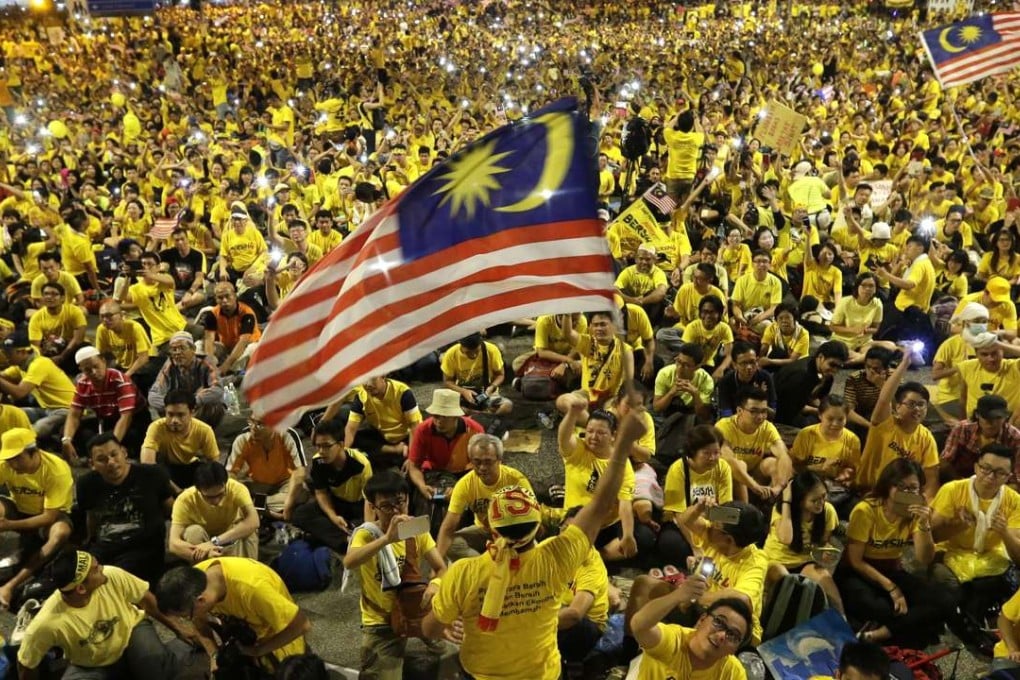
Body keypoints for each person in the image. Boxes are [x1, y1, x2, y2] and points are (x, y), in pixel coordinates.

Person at [421, 409, 647, 680]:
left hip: (481, 673)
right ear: (536, 523)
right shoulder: (556, 558)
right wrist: (621, 451)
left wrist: (439, 593)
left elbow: (430, 629)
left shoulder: (464, 573)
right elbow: (599, 505)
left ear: (492, 526)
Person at [17, 551, 208, 680]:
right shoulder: (46, 623)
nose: (102, 568)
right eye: (95, 570)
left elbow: (146, 600)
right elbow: (26, 663)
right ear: (81, 588)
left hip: (132, 631)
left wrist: (179, 628)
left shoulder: (112, 575)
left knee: (155, 667)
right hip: (91, 662)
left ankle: (174, 653)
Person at [342, 470, 451, 679]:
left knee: (463, 655)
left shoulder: (416, 528)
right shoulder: (366, 534)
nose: (395, 511)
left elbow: (441, 568)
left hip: (418, 609)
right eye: (386, 506)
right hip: (381, 619)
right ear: (373, 508)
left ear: (408, 499)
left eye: (400, 502)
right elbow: (349, 561)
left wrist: (436, 584)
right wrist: (387, 539)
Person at [838, 458, 954, 647]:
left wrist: (925, 524)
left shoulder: (914, 513)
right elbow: (855, 561)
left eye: (912, 488)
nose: (906, 493)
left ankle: (880, 634)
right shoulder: (866, 510)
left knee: (944, 600)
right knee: (885, 609)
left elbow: (924, 558)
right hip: (858, 571)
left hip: (891, 568)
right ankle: (911, 629)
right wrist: (891, 587)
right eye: (900, 486)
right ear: (888, 485)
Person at [155, 556, 310, 669]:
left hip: (276, 630)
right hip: (243, 631)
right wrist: (214, 656)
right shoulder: (194, 583)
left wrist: (258, 650)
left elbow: (302, 625)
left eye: (186, 617)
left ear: (201, 601)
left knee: (287, 673)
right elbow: (200, 626)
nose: (188, 621)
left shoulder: (253, 589)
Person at [77, 433, 174, 585]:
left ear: (124, 452)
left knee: (108, 579)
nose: (111, 462)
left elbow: (172, 511)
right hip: (105, 546)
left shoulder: (152, 475)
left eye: (114, 454)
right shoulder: (86, 484)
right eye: (102, 459)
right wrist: (89, 542)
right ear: (92, 463)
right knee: (75, 573)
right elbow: (92, 517)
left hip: (143, 547)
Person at [930, 443, 1020, 605]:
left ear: (1008, 477)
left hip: (991, 557)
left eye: (1000, 473)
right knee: (948, 583)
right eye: (986, 469)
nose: (991, 477)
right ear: (976, 468)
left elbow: (1018, 556)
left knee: (1009, 582)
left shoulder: (1014, 501)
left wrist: (1004, 532)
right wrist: (959, 525)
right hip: (949, 553)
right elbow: (932, 537)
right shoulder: (952, 490)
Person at [0, 428, 73, 609]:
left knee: (60, 533)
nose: (14, 465)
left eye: (18, 458)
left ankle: (11, 585)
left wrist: (8, 525)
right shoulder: (6, 465)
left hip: (49, 516)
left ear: (34, 452)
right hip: (19, 508)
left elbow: (49, 517)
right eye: (10, 459)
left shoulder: (56, 470)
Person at [559, 397, 637, 561]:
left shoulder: (621, 463)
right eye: (590, 431)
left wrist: (628, 535)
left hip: (606, 525)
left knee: (637, 538)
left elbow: (625, 503)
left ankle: (594, 557)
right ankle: (589, 558)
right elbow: (564, 438)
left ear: (613, 436)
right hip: (577, 521)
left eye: (601, 433)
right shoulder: (578, 450)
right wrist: (572, 413)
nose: (594, 437)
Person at [855, 350, 940, 500]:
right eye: (912, 404)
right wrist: (905, 363)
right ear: (898, 406)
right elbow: (884, 399)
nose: (917, 409)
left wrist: (926, 503)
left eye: (922, 405)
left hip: (903, 498)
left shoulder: (926, 438)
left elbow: (931, 477)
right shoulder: (885, 424)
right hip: (870, 492)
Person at [436, 433, 533, 561]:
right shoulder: (465, 484)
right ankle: (483, 566)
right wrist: (436, 566)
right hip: (483, 530)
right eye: (477, 462)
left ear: (499, 460)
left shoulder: (516, 480)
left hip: (511, 533)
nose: (482, 468)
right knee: (452, 544)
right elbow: (448, 527)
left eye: (488, 462)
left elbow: (532, 520)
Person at [764, 470, 844, 615]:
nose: (821, 503)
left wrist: (825, 551)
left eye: (823, 496)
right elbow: (786, 538)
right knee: (788, 583)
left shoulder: (828, 511)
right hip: (776, 562)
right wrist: (787, 501)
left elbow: (822, 542)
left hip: (805, 562)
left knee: (825, 581)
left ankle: (841, 621)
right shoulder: (781, 510)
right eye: (814, 500)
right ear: (800, 500)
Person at [290, 418, 372, 553]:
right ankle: (345, 541)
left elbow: (369, 501)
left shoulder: (361, 464)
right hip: (336, 502)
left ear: (340, 444)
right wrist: (333, 516)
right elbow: (321, 493)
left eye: (327, 446)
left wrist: (368, 527)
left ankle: (333, 537)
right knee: (300, 514)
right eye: (318, 446)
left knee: (365, 525)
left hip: (359, 505)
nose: (321, 451)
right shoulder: (318, 461)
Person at [658, 425, 733, 569]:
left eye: (716, 452)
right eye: (706, 453)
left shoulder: (723, 468)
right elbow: (679, 515)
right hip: (684, 524)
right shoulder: (678, 469)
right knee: (670, 543)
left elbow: (726, 508)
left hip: (712, 522)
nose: (713, 458)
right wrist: (695, 547)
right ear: (693, 452)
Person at [629, 594, 751, 680]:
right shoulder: (673, 640)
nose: (722, 636)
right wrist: (677, 596)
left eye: (733, 636)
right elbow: (639, 626)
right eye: (719, 622)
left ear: (735, 650)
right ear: (702, 619)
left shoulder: (732, 672)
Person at [62, 346, 149, 462]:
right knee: (66, 431)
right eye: (88, 370)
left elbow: (126, 417)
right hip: (108, 420)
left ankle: (109, 453)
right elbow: (74, 415)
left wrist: (110, 446)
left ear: (103, 361)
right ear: (81, 369)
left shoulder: (120, 381)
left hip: (134, 420)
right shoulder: (83, 383)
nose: (94, 372)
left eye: (96, 366)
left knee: (134, 436)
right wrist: (67, 440)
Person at [323, 374, 423, 470]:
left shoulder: (403, 392)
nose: (368, 384)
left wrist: (411, 458)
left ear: (383, 376)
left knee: (413, 466)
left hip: (406, 436)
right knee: (346, 439)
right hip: (382, 436)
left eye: (373, 379)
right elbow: (350, 429)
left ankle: (395, 455)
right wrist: (343, 453)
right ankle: (395, 450)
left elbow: (415, 427)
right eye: (364, 380)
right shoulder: (362, 395)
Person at [167, 461, 260, 562]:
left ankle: (248, 570)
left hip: (228, 536)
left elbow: (254, 521)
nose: (216, 501)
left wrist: (214, 542)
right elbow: (173, 543)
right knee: (193, 532)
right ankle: (205, 572)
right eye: (209, 497)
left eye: (220, 495)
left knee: (248, 530)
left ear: (225, 484)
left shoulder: (236, 488)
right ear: (198, 490)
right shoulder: (185, 499)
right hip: (201, 542)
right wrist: (205, 554)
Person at [406, 388, 484, 505]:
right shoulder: (423, 430)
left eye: (445, 417)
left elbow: (482, 467)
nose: (439, 421)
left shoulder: (475, 430)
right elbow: (414, 466)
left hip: (466, 472)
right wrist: (421, 485)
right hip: (436, 471)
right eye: (436, 416)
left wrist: (460, 488)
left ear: (455, 416)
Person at [554, 506, 611, 665]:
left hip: (583, 625)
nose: (567, 537)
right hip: (553, 609)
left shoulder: (591, 566)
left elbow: (575, 614)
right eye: (565, 529)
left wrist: (532, 621)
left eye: (575, 534)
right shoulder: (550, 548)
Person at [555, 310, 635, 420]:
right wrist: (567, 312)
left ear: (614, 326)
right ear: (591, 327)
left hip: (610, 398)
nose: (599, 329)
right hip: (586, 395)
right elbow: (567, 333)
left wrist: (617, 401)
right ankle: (594, 423)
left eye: (603, 324)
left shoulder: (625, 350)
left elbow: (628, 382)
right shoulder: (588, 342)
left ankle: (596, 421)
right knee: (563, 401)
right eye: (595, 325)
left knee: (619, 413)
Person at [717, 388, 793, 502]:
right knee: (740, 465)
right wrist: (754, 486)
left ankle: (772, 505)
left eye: (763, 411)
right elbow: (729, 462)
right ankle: (746, 511)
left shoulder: (767, 427)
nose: (760, 416)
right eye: (754, 411)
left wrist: (779, 486)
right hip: (728, 478)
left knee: (773, 463)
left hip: (754, 475)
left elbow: (784, 455)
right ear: (739, 411)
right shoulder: (724, 426)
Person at [140, 389, 220, 493]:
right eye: (170, 414)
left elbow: (214, 464)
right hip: (167, 470)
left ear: (192, 412)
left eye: (180, 415)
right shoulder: (156, 428)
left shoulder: (204, 430)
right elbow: (148, 464)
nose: (174, 420)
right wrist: (177, 490)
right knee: (150, 476)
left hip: (191, 467)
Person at [0, 331, 74, 442]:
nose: (5, 357)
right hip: (46, 409)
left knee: (38, 429)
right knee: (12, 415)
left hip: (67, 409)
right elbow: (3, 376)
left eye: (9, 354)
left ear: (22, 352)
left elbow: (19, 393)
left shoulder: (39, 364)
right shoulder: (21, 365)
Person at [226, 415, 306, 516]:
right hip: (257, 484)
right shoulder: (243, 438)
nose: (253, 428)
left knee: (302, 493)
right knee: (229, 490)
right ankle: (265, 509)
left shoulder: (287, 434)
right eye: (251, 422)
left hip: (285, 483)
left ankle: (250, 507)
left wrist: (289, 502)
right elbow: (230, 474)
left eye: (260, 424)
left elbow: (299, 472)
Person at [148, 332, 225, 426]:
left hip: (197, 407)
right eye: (174, 349)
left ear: (193, 349)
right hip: (178, 410)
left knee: (215, 406)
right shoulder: (169, 365)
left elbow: (217, 389)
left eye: (182, 348)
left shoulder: (205, 362)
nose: (177, 353)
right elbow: (153, 394)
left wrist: (192, 401)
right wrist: (173, 404)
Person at [941, 395, 1020, 483]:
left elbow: (1017, 477)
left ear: (1006, 417)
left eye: (997, 418)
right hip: (959, 481)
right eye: (986, 418)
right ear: (977, 415)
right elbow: (945, 462)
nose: (991, 423)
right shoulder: (961, 429)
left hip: (998, 486)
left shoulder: (1015, 438)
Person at [774, 340, 848, 427]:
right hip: (780, 414)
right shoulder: (801, 376)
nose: (835, 371)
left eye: (839, 367)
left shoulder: (825, 374)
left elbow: (819, 398)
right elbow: (789, 409)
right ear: (820, 357)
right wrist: (817, 411)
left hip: (797, 406)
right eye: (832, 365)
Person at [830, 273, 896, 365]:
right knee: (838, 351)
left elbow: (875, 328)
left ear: (875, 289)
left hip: (864, 343)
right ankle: (870, 359)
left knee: (891, 346)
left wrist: (866, 330)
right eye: (864, 285)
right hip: (843, 342)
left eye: (871, 286)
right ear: (857, 287)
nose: (867, 289)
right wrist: (852, 330)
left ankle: (858, 360)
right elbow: (833, 327)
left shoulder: (877, 304)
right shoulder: (845, 302)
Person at [441, 332, 513, 417]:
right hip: (461, 393)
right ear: (460, 345)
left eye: (476, 351)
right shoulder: (451, 354)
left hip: (487, 393)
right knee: (446, 410)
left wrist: (491, 388)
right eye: (468, 352)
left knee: (507, 406)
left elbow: (500, 375)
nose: (473, 355)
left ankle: (477, 416)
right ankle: (484, 416)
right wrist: (463, 392)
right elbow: (447, 381)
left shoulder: (491, 350)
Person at [201, 281, 262, 375]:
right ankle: (208, 373)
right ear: (216, 299)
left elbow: (242, 343)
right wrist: (211, 364)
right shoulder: (212, 314)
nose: (224, 300)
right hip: (227, 347)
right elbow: (209, 340)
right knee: (199, 345)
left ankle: (233, 372)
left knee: (252, 349)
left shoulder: (247, 313)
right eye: (220, 298)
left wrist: (225, 366)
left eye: (227, 296)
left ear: (235, 295)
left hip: (245, 349)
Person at [651, 343, 714, 421]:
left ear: (697, 367)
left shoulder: (706, 380)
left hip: (691, 413)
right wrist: (671, 393)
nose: (680, 369)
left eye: (686, 365)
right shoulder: (665, 373)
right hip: (667, 412)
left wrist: (696, 394)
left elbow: (703, 416)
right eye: (678, 361)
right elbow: (657, 408)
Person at [843, 347, 893, 442]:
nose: (870, 371)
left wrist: (882, 386)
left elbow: (897, 407)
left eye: (875, 368)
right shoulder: (855, 379)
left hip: (884, 415)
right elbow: (848, 411)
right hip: (861, 416)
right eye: (867, 367)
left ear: (886, 369)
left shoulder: (894, 378)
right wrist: (869, 425)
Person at [715, 341, 777, 417]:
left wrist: (759, 398)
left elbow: (773, 413)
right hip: (734, 423)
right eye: (743, 363)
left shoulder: (765, 377)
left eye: (752, 362)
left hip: (761, 421)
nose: (749, 367)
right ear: (734, 365)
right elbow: (726, 415)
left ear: (757, 360)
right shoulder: (725, 381)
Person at [730, 248, 783, 335]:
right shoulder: (742, 280)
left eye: (765, 261)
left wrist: (758, 319)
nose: (761, 264)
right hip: (745, 316)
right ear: (752, 263)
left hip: (764, 317)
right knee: (732, 322)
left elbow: (774, 308)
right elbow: (735, 305)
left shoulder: (775, 282)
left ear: (770, 264)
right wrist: (740, 318)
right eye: (758, 261)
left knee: (768, 326)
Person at [616, 243, 669, 325]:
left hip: (648, 308)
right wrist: (631, 300)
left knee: (658, 297)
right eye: (641, 259)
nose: (644, 262)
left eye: (648, 259)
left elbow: (661, 292)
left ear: (654, 260)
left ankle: (652, 326)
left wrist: (642, 301)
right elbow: (615, 289)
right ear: (636, 259)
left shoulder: (658, 273)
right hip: (630, 307)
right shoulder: (628, 271)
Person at [758, 302, 810, 371]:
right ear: (776, 320)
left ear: (794, 319)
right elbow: (764, 348)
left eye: (787, 317)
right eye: (780, 318)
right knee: (778, 352)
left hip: (798, 364)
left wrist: (770, 361)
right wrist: (760, 362)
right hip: (780, 359)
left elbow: (792, 360)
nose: (784, 321)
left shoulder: (803, 334)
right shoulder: (772, 328)